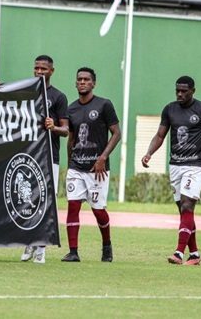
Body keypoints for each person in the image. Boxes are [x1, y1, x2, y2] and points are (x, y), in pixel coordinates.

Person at [141, 75, 201, 266]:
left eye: (184, 91)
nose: (180, 94)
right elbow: (160, 135)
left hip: (195, 166)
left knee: (187, 205)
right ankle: (194, 255)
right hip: (175, 165)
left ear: (193, 91)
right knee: (184, 211)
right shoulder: (169, 109)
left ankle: (178, 253)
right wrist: (149, 153)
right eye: (177, 90)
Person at [62, 67, 120, 263]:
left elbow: (117, 133)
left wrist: (103, 157)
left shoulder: (104, 105)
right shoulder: (71, 109)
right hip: (76, 168)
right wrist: (70, 165)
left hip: (97, 170)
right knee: (72, 206)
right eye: (79, 79)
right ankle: (73, 252)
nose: (82, 82)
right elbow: (71, 139)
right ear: (75, 82)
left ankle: (107, 246)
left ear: (93, 83)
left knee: (98, 211)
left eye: (87, 79)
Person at [20, 55, 69, 264]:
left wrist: (53, 127)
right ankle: (28, 243)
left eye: (44, 69)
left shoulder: (58, 97)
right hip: (27, 155)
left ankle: (41, 248)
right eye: (37, 68)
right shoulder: (26, 91)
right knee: (26, 200)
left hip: (49, 157)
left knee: (46, 202)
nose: (40, 72)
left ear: (52, 71)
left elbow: (65, 130)